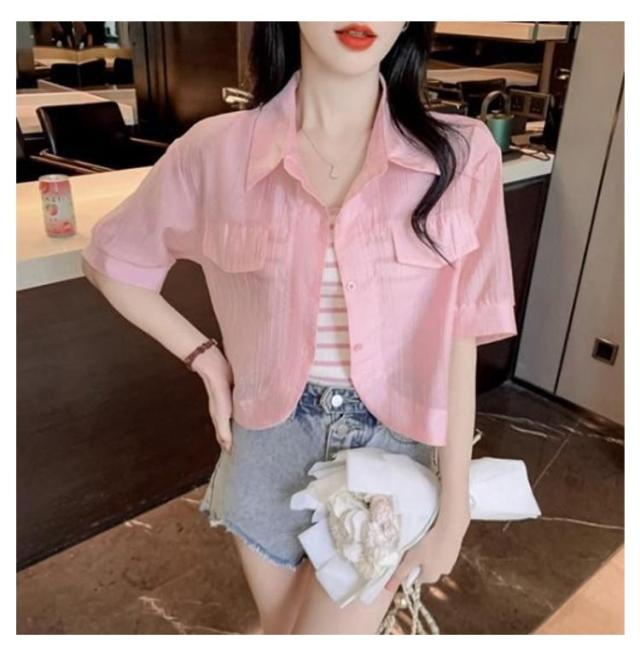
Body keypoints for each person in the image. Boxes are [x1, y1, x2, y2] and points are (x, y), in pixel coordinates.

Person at [81, 21, 517, 634]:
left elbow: (461, 335)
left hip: (390, 451)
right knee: (281, 629)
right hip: (267, 442)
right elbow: (112, 262)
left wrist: (454, 511)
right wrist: (206, 358)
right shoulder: (216, 150)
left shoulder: (462, 154)